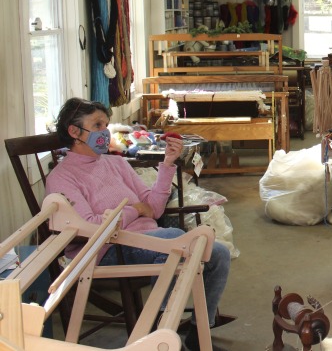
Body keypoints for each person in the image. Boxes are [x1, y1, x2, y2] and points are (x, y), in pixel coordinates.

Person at [46, 98, 231, 351]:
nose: (104, 132)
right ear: (74, 132)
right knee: (174, 243)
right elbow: (91, 227)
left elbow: (153, 207)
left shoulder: (116, 163)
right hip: (107, 248)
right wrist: (134, 210)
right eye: (97, 125)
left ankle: (197, 337)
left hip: (147, 239)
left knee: (218, 253)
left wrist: (167, 164)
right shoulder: (62, 177)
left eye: (106, 125)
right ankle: (162, 336)